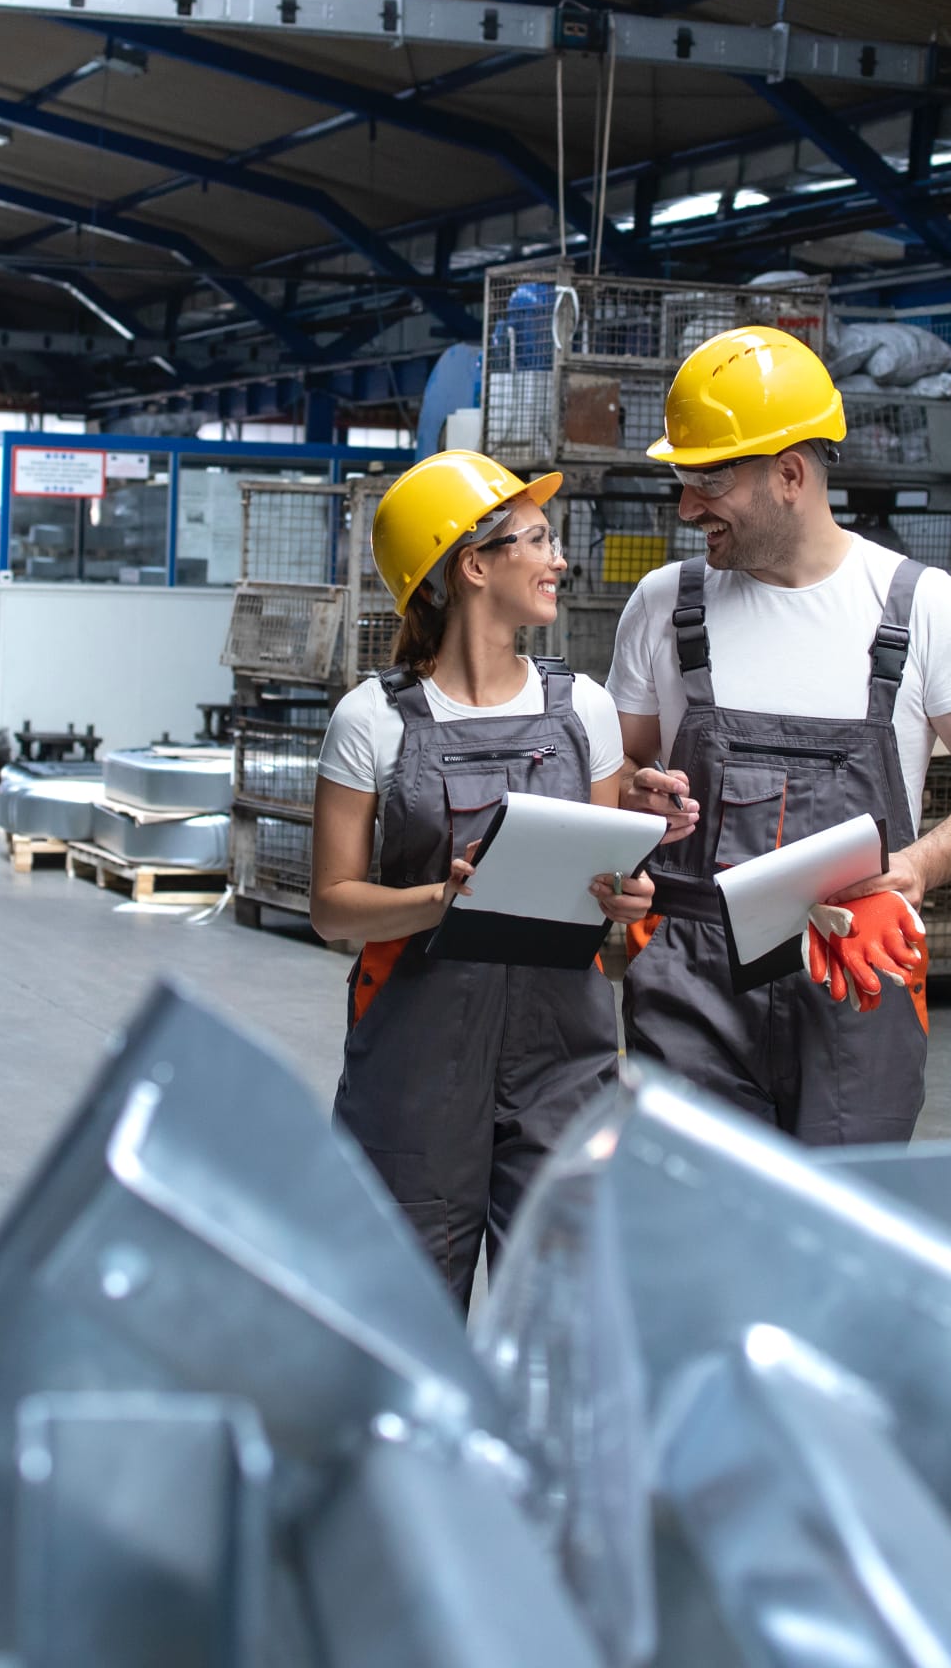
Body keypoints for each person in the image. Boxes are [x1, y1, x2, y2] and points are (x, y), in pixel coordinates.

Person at [606, 325, 951, 1145]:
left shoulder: (916, 607)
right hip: (691, 981)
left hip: (855, 973)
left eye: (707, 483)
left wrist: (912, 869)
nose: (687, 507)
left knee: (842, 1250)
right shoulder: (665, 607)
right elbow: (618, 763)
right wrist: (631, 792)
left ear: (790, 475)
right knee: (695, 1241)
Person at [310, 448, 651, 1305]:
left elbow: (607, 883)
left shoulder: (586, 712)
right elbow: (331, 908)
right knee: (407, 1313)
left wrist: (628, 895)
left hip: (562, 1058)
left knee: (566, 1315)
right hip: (416, 1065)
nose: (559, 559)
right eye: (536, 540)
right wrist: (441, 900)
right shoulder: (371, 721)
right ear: (473, 565)